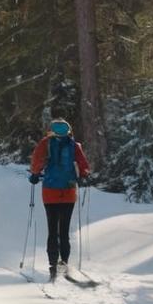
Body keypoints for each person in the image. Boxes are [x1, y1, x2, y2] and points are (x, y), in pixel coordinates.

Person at [28, 118, 91, 280]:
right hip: (69, 192)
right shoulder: (74, 145)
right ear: (69, 130)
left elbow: (37, 161)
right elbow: (83, 165)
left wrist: (35, 175)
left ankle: (52, 265)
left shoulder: (45, 143)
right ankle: (64, 262)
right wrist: (84, 176)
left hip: (50, 192)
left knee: (52, 229)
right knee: (64, 230)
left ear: (52, 130)